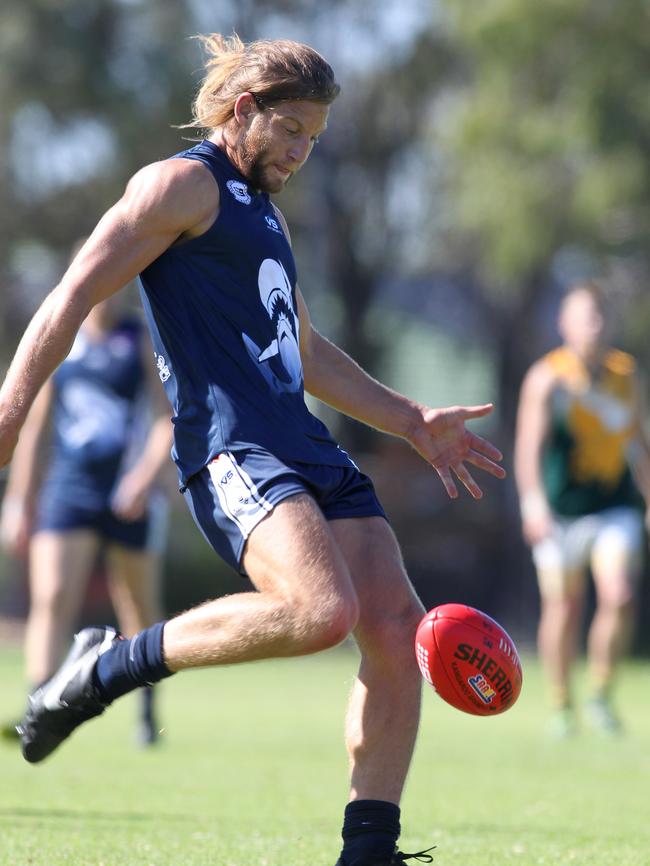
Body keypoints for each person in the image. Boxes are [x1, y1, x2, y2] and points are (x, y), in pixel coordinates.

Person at [0, 34, 505, 866]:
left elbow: (302, 347)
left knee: (391, 624)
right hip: (232, 447)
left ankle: (369, 850)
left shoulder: (262, 211)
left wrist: (410, 418)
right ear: (245, 112)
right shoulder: (180, 186)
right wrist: (13, 413)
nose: (304, 152)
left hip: (301, 443)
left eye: (315, 137)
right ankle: (106, 668)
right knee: (319, 613)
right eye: (294, 131)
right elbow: (70, 295)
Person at [0, 288, 173, 746]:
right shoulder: (62, 336)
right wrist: (19, 499)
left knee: (137, 606)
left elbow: (164, 416)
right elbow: (36, 426)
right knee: (52, 595)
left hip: (127, 492)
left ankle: (146, 711)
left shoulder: (139, 337)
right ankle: (38, 709)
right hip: (69, 489)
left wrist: (144, 476)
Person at [514, 282, 650, 739]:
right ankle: (561, 703)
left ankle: (601, 695)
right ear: (563, 324)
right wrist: (533, 507)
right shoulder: (547, 378)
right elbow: (528, 450)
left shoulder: (626, 376)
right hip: (560, 512)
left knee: (620, 595)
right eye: (584, 317)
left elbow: (639, 445)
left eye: (600, 316)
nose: (594, 326)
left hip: (615, 507)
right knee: (564, 606)